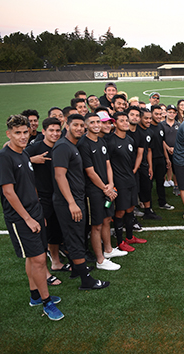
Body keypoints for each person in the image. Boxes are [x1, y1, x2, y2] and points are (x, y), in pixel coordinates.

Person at [0, 114, 64, 320]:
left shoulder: (23, 153)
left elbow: (30, 184)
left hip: (34, 212)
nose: (23, 136)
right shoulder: (3, 157)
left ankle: (35, 295)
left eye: (25, 132)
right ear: (9, 134)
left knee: (34, 256)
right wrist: (28, 218)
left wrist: (38, 212)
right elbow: (9, 192)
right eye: (18, 133)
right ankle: (46, 302)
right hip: (20, 218)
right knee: (40, 260)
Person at [52, 114, 109, 290]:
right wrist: (71, 202)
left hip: (76, 198)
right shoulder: (62, 147)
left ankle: (77, 269)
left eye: (80, 126)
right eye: (75, 125)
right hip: (69, 202)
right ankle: (86, 280)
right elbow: (59, 176)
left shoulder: (72, 145)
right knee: (75, 238)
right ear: (67, 126)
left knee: (75, 236)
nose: (79, 128)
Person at [78, 113, 124, 271]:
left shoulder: (101, 140)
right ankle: (100, 260)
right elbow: (90, 172)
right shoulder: (84, 144)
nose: (96, 125)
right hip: (94, 191)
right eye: (92, 122)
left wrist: (110, 184)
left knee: (107, 219)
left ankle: (108, 250)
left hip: (107, 189)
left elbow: (107, 165)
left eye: (98, 121)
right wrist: (106, 188)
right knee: (96, 225)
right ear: (86, 125)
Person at [25, 117, 69, 277]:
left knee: (55, 232)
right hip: (41, 199)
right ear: (43, 132)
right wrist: (31, 160)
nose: (55, 133)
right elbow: (14, 161)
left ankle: (56, 263)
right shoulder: (34, 148)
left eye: (58, 130)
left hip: (58, 197)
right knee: (41, 236)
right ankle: (43, 272)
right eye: (51, 130)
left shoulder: (62, 147)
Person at [106, 111, 147, 252]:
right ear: (115, 123)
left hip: (131, 180)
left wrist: (133, 171)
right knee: (120, 212)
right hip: (120, 182)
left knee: (130, 209)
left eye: (126, 121)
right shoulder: (110, 141)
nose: (125, 123)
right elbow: (107, 164)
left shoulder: (130, 140)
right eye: (122, 121)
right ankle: (119, 241)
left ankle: (129, 237)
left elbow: (133, 158)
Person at [148, 105, 174, 211]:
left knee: (160, 181)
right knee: (149, 184)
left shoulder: (161, 126)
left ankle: (162, 202)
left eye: (160, 114)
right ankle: (147, 206)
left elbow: (162, 143)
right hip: (150, 160)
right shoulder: (148, 128)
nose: (159, 116)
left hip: (160, 158)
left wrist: (167, 158)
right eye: (156, 114)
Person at [162, 105, 179, 193]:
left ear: (176, 114)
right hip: (164, 150)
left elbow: (180, 139)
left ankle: (176, 185)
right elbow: (161, 139)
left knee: (176, 168)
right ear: (166, 113)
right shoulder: (162, 125)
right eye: (169, 112)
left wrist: (174, 148)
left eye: (173, 112)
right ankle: (163, 184)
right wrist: (168, 148)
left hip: (176, 150)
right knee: (164, 167)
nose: (171, 114)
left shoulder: (178, 125)